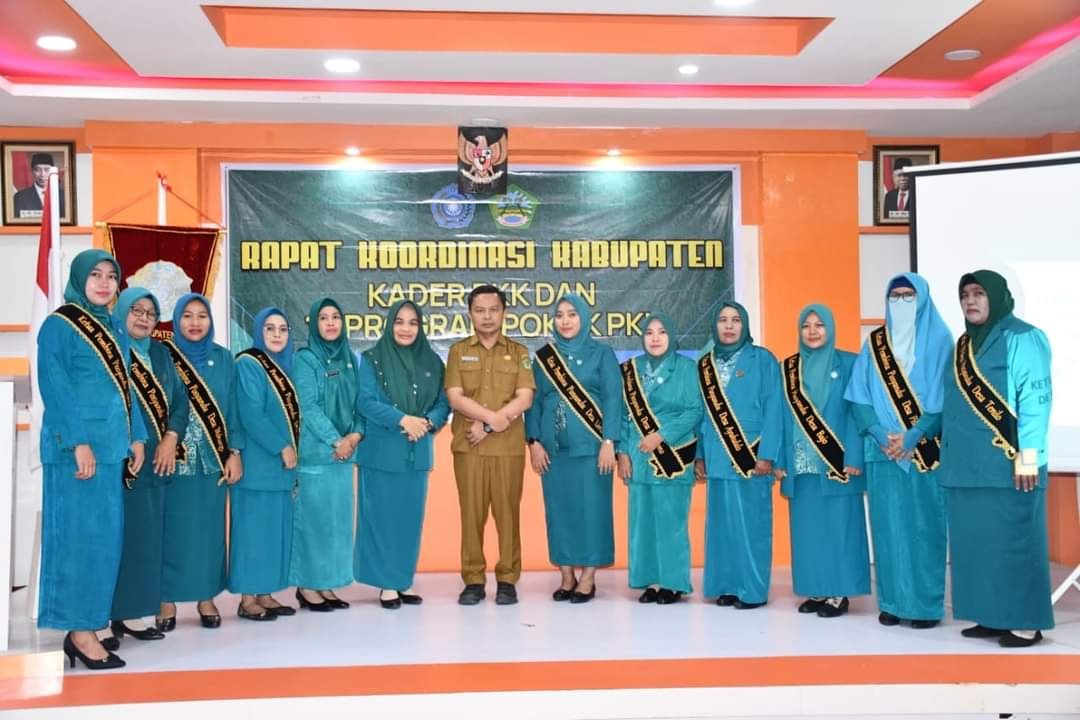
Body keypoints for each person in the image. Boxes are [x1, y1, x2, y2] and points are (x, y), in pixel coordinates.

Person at [36, 248, 146, 670]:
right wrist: (77, 442)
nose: (104, 282)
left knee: (104, 542)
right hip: (77, 454)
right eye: (95, 274)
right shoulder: (60, 325)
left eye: (111, 276)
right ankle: (79, 631)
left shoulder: (112, 326)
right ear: (79, 278)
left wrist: (137, 436)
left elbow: (125, 388)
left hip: (111, 450)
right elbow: (55, 387)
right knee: (78, 542)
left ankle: (90, 621)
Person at [941, 270, 1054, 647]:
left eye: (979, 293)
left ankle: (1025, 622)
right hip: (965, 467)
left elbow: (1035, 402)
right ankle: (990, 615)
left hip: (1010, 466)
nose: (970, 301)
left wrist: (1029, 456)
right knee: (976, 546)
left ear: (997, 296)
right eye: (964, 295)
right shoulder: (962, 346)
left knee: (1016, 544)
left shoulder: (1024, 337)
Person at [845, 273, 952, 629]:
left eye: (909, 296)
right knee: (887, 529)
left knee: (924, 529)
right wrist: (880, 434)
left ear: (922, 299)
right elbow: (858, 396)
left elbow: (943, 399)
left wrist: (912, 436)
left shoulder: (940, 340)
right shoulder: (874, 343)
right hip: (882, 452)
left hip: (923, 452)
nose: (901, 302)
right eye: (895, 296)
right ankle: (891, 602)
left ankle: (924, 607)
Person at [526, 295, 621, 603]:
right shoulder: (545, 357)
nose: (565, 320)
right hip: (553, 450)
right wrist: (533, 441)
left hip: (592, 448)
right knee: (559, 512)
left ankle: (588, 577)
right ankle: (566, 574)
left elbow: (613, 399)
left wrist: (609, 441)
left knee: (593, 511)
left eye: (572, 314)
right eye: (560, 315)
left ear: (583, 317)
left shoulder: (602, 353)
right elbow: (535, 402)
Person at [355, 301, 450, 609]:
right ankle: (387, 584)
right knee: (383, 519)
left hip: (417, 453)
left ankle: (403, 580)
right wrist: (402, 419)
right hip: (382, 452)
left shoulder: (433, 362)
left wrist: (428, 422)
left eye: (412, 323)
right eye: (399, 321)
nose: (406, 328)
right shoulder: (372, 359)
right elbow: (365, 401)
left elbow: (443, 403)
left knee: (409, 520)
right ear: (389, 325)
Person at [445, 284, 535, 606]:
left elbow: (525, 397)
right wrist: (489, 420)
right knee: (471, 515)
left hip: (508, 448)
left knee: (508, 514)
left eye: (493, 310)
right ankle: (473, 580)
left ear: (504, 313)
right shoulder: (458, 352)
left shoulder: (519, 352)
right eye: (480, 310)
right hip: (468, 446)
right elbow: (455, 397)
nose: (487, 316)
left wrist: (488, 424)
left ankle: (507, 579)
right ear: (470, 314)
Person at [776, 304, 868, 618]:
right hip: (801, 466)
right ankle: (816, 589)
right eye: (806, 325)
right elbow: (780, 417)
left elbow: (858, 413)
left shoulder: (850, 363)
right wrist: (778, 459)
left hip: (838, 464)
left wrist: (854, 454)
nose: (813, 331)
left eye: (819, 325)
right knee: (808, 531)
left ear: (830, 328)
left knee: (840, 528)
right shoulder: (788, 368)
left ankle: (838, 592)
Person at [108, 288, 188, 646]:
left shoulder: (160, 352)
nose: (143, 318)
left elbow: (181, 402)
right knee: (121, 539)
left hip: (160, 462)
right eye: (136, 310)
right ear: (122, 310)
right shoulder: (111, 349)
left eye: (150, 313)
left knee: (148, 540)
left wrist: (171, 437)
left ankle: (133, 612)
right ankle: (107, 613)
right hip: (124, 461)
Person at [159, 293, 244, 631]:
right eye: (188, 316)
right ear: (176, 320)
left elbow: (235, 409)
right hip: (172, 461)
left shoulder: (224, 359)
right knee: (171, 531)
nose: (195, 323)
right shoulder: (163, 355)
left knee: (209, 533)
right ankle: (166, 598)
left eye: (202, 316)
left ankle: (206, 596)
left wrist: (235, 452)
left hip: (212, 462)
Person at [694, 301, 782, 609]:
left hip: (752, 456)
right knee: (722, 528)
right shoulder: (705, 365)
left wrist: (767, 455)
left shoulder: (763, 359)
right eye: (722, 320)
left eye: (735, 320)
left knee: (752, 527)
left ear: (744, 325)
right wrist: (700, 455)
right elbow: (701, 414)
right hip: (717, 456)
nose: (729, 326)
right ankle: (727, 586)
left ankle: (752, 591)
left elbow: (774, 409)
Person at [617, 314, 702, 604]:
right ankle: (649, 581)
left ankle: (672, 583)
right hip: (638, 458)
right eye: (649, 332)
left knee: (671, 523)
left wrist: (661, 436)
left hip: (672, 456)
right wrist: (622, 453)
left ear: (672, 335)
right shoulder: (629, 370)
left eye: (662, 332)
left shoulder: (687, 368)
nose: (655, 338)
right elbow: (622, 416)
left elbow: (695, 410)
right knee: (642, 524)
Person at [289, 297, 364, 611]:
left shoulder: (350, 358)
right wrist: (336, 441)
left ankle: (326, 583)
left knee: (336, 526)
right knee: (314, 524)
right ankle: (307, 586)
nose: (331, 323)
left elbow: (361, 403)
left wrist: (355, 436)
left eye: (336, 317)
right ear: (314, 323)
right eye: (324, 318)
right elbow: (308, 407)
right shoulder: (305, 359)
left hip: (345, 457)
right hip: (317, 455)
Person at [230, 307, 301, 621]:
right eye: (269, 328)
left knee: (273, 532)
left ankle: (265, 594)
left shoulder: (286, 367)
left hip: (280, 470)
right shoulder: (249, 363)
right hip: (258, 465)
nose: (276, 334)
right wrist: (281, 446)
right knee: (253, 533)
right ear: (258, 331)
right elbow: (251, 414)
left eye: (283, 329)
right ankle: (247, 600)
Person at [13, 152, 65, 219]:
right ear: (32, 171)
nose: (42, 174)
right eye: (37, 170)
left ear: (52, 171)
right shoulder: (20, 197)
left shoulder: (64, 195)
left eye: (47, 170)